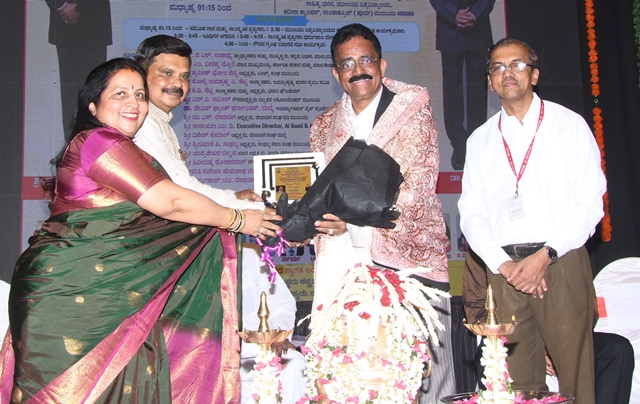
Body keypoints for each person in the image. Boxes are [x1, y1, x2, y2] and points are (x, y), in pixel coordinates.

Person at [0, 58, 280, 403]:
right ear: (93, 105)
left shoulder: (126, 149)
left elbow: (165, 211)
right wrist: (237, 219)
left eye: (139, 95)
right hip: (70, 293)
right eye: (120, 94)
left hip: (113, 294)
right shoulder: (99, 141)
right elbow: (170, 203)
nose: (133, 103)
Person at [310, 23, 454, 403]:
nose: (358, 70)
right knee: (354, 375)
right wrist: (301, 217)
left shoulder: (412, 106)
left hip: (410, 261)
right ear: (336, 74)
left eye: (366, 60)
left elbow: (417, 184)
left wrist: (351, 223)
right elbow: (320, 191)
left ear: (382, 64)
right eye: (347, 64)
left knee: (423, 375)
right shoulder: (324, 125)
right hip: (344, 267)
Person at [458, 38, 607, 403]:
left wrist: (546, 255)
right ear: (490, 81)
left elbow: (590, 202)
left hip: (561, 261)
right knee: (518, 386)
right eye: (497, 67)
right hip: (505, 271)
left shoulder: (568, 125)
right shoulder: (480, 140)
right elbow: (471, 212)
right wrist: (504, 265)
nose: (506, 73)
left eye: (517, 65)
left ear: (535, 75)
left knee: (575, 381)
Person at [462, 248, 635, 404]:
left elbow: (588, 309)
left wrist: (552, 345)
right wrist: (539, 347)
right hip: (508, 339)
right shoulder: (484, 242)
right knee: (491, 357)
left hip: (565, 333)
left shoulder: (564, 242)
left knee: (616, 349)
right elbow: (475, 310)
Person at [133, 35, 263, 210]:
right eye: (167, 73)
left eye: (184, 76)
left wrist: (235, 197)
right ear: (141, 76)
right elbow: (181, 189)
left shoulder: (159, 120)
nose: (178, 83)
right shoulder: (141, 123)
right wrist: (253, 209)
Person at [430, 0, 495, 170]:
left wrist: (476, 13)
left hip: (478, 29)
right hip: (449, 28)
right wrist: (453, 14)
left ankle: (476, 144)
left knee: (478, 91)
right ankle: (459, 146)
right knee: (452, 91)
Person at [239, 243, 306, 404]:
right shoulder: (192, 259)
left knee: (294, 363)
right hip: (209, 353)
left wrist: (278, 336)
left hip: (255, 350)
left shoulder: (249, 253)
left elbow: (282, 305)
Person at [45, 0, 112, 134]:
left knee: (93, 92)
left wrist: (79, 7)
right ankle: (72, 143)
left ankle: (93, 142)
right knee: (70, 96)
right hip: (65, 28)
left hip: (94, 24)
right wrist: (62, 6)